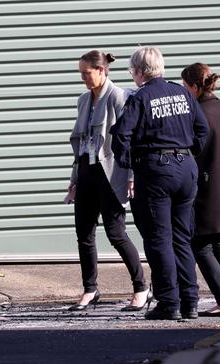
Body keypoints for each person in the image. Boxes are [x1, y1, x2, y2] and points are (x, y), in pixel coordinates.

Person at [110, 47, 210, 320]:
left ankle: (169, 302)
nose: (133, 75)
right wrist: (190, 153)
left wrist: (131, 162)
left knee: (159, 239)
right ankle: (190, 302)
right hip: (186, 169)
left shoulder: (141, 97)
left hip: (156, 171)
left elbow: (120, 135)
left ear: (141, 71)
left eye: (132, 70)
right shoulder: (183, 94)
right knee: (182, 238)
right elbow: (203, 129)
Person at [67, 50, 149, 312]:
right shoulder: (83, 100)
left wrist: (132, 176)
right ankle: (90, 289)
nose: (83, 78)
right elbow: (80, 142)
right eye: (81, 74)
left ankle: (141, 287)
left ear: (101, 71)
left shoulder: (119, 97)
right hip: (87, 170)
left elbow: (131, 139)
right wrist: (75, 178)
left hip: (111, 171)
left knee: (116, 233)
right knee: (84, 233)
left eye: (87, 73)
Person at [181, 63, 220, 317]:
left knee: (199, 243)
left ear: (196, 87)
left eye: (186, 87)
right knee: (219, 243)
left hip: (207, 185)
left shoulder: (197, 114)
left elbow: (193, 150)